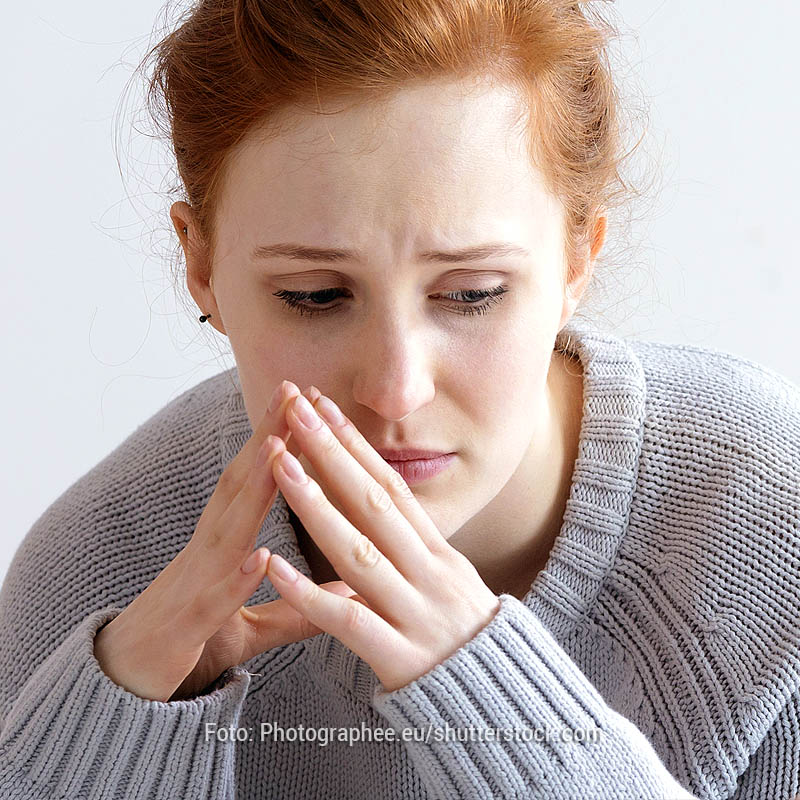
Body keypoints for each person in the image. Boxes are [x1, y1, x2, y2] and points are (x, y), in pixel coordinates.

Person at [1, 1, 798, 798]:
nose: (395, 387)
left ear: (576, 261)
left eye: (472, 295)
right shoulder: (101, 570)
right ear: (202, 266)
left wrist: (496, 705)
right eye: (314, 297)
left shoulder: (772, 526)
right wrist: (105, 729)